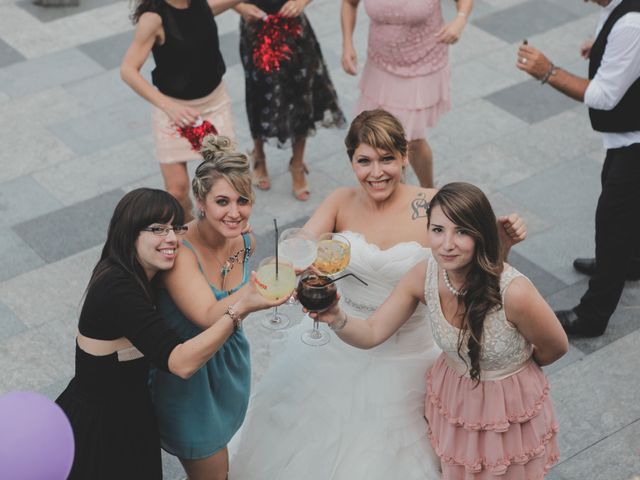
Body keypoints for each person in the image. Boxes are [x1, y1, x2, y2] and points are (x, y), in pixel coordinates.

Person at [229, 110, 526, 479]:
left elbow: (476, 279)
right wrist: (294, 259)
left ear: (405, 157)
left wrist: (503, 246)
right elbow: (303, 243)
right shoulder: (340, 201)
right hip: (338, 338)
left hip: (411, 352)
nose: (376, 172)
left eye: (387, 159)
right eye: (364, 161)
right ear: (351, 161)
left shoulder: (434, 206)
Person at [314, 182, 568, 478]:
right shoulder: (423, 275)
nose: (446, 244)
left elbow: (556, 347)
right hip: (454, 397)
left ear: (481, 234)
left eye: (461, 231)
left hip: (508, 407)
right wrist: (335, 317)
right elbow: (372, 331)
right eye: (438, 230)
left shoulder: (516, 293)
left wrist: (512, 373)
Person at [55, 188, 287, 480]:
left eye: (175, 228)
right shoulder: (118, 288)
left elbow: (205, 242)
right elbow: (180, 363)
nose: (172, 239)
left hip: (133, 414)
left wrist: (227, 230)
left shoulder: (145, 271)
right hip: (100, 427)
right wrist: (241, 307)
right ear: (128, 233)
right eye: (157, 229)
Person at [516, 0, 640, 337]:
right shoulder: (617, 11)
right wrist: (602, 46)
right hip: (626, 136)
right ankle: (630, 263)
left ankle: (592, 316)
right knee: (626, 210)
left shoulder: (631, 23)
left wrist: (548, 71)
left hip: (635, 141)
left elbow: (603, 96)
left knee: (613, 220)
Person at [149, 135, 257, 480]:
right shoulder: (180, 253)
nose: (234, 212)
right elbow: (210, 315)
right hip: (188, 380)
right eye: (222, 201)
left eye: (243, 200)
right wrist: (257, 292)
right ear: (200, 201)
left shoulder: (245, 241)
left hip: (228, 365)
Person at [121, 0, 242, 220]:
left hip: (214, 105)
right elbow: (128, 70)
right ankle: (189, 232)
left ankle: (217, 236)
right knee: (177, 191)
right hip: (173, 110)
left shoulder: (203, 3)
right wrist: (169, 106)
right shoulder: (152, 19)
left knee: (227, 182)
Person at [341, 0, 473, 188]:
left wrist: (460, 20)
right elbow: (349, 3)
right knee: (379, 134)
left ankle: (428, 192)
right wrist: (347, 44)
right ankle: (393, 191)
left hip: (422, 62)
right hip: (381, 62)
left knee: (412, 140)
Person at [234, 0, 345, 200]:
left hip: (293, 27)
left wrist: (301, 2)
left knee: (302, 94)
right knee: (258, 94)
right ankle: (259, 156)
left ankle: (297, 164)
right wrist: (240, 7)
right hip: (255, 28)